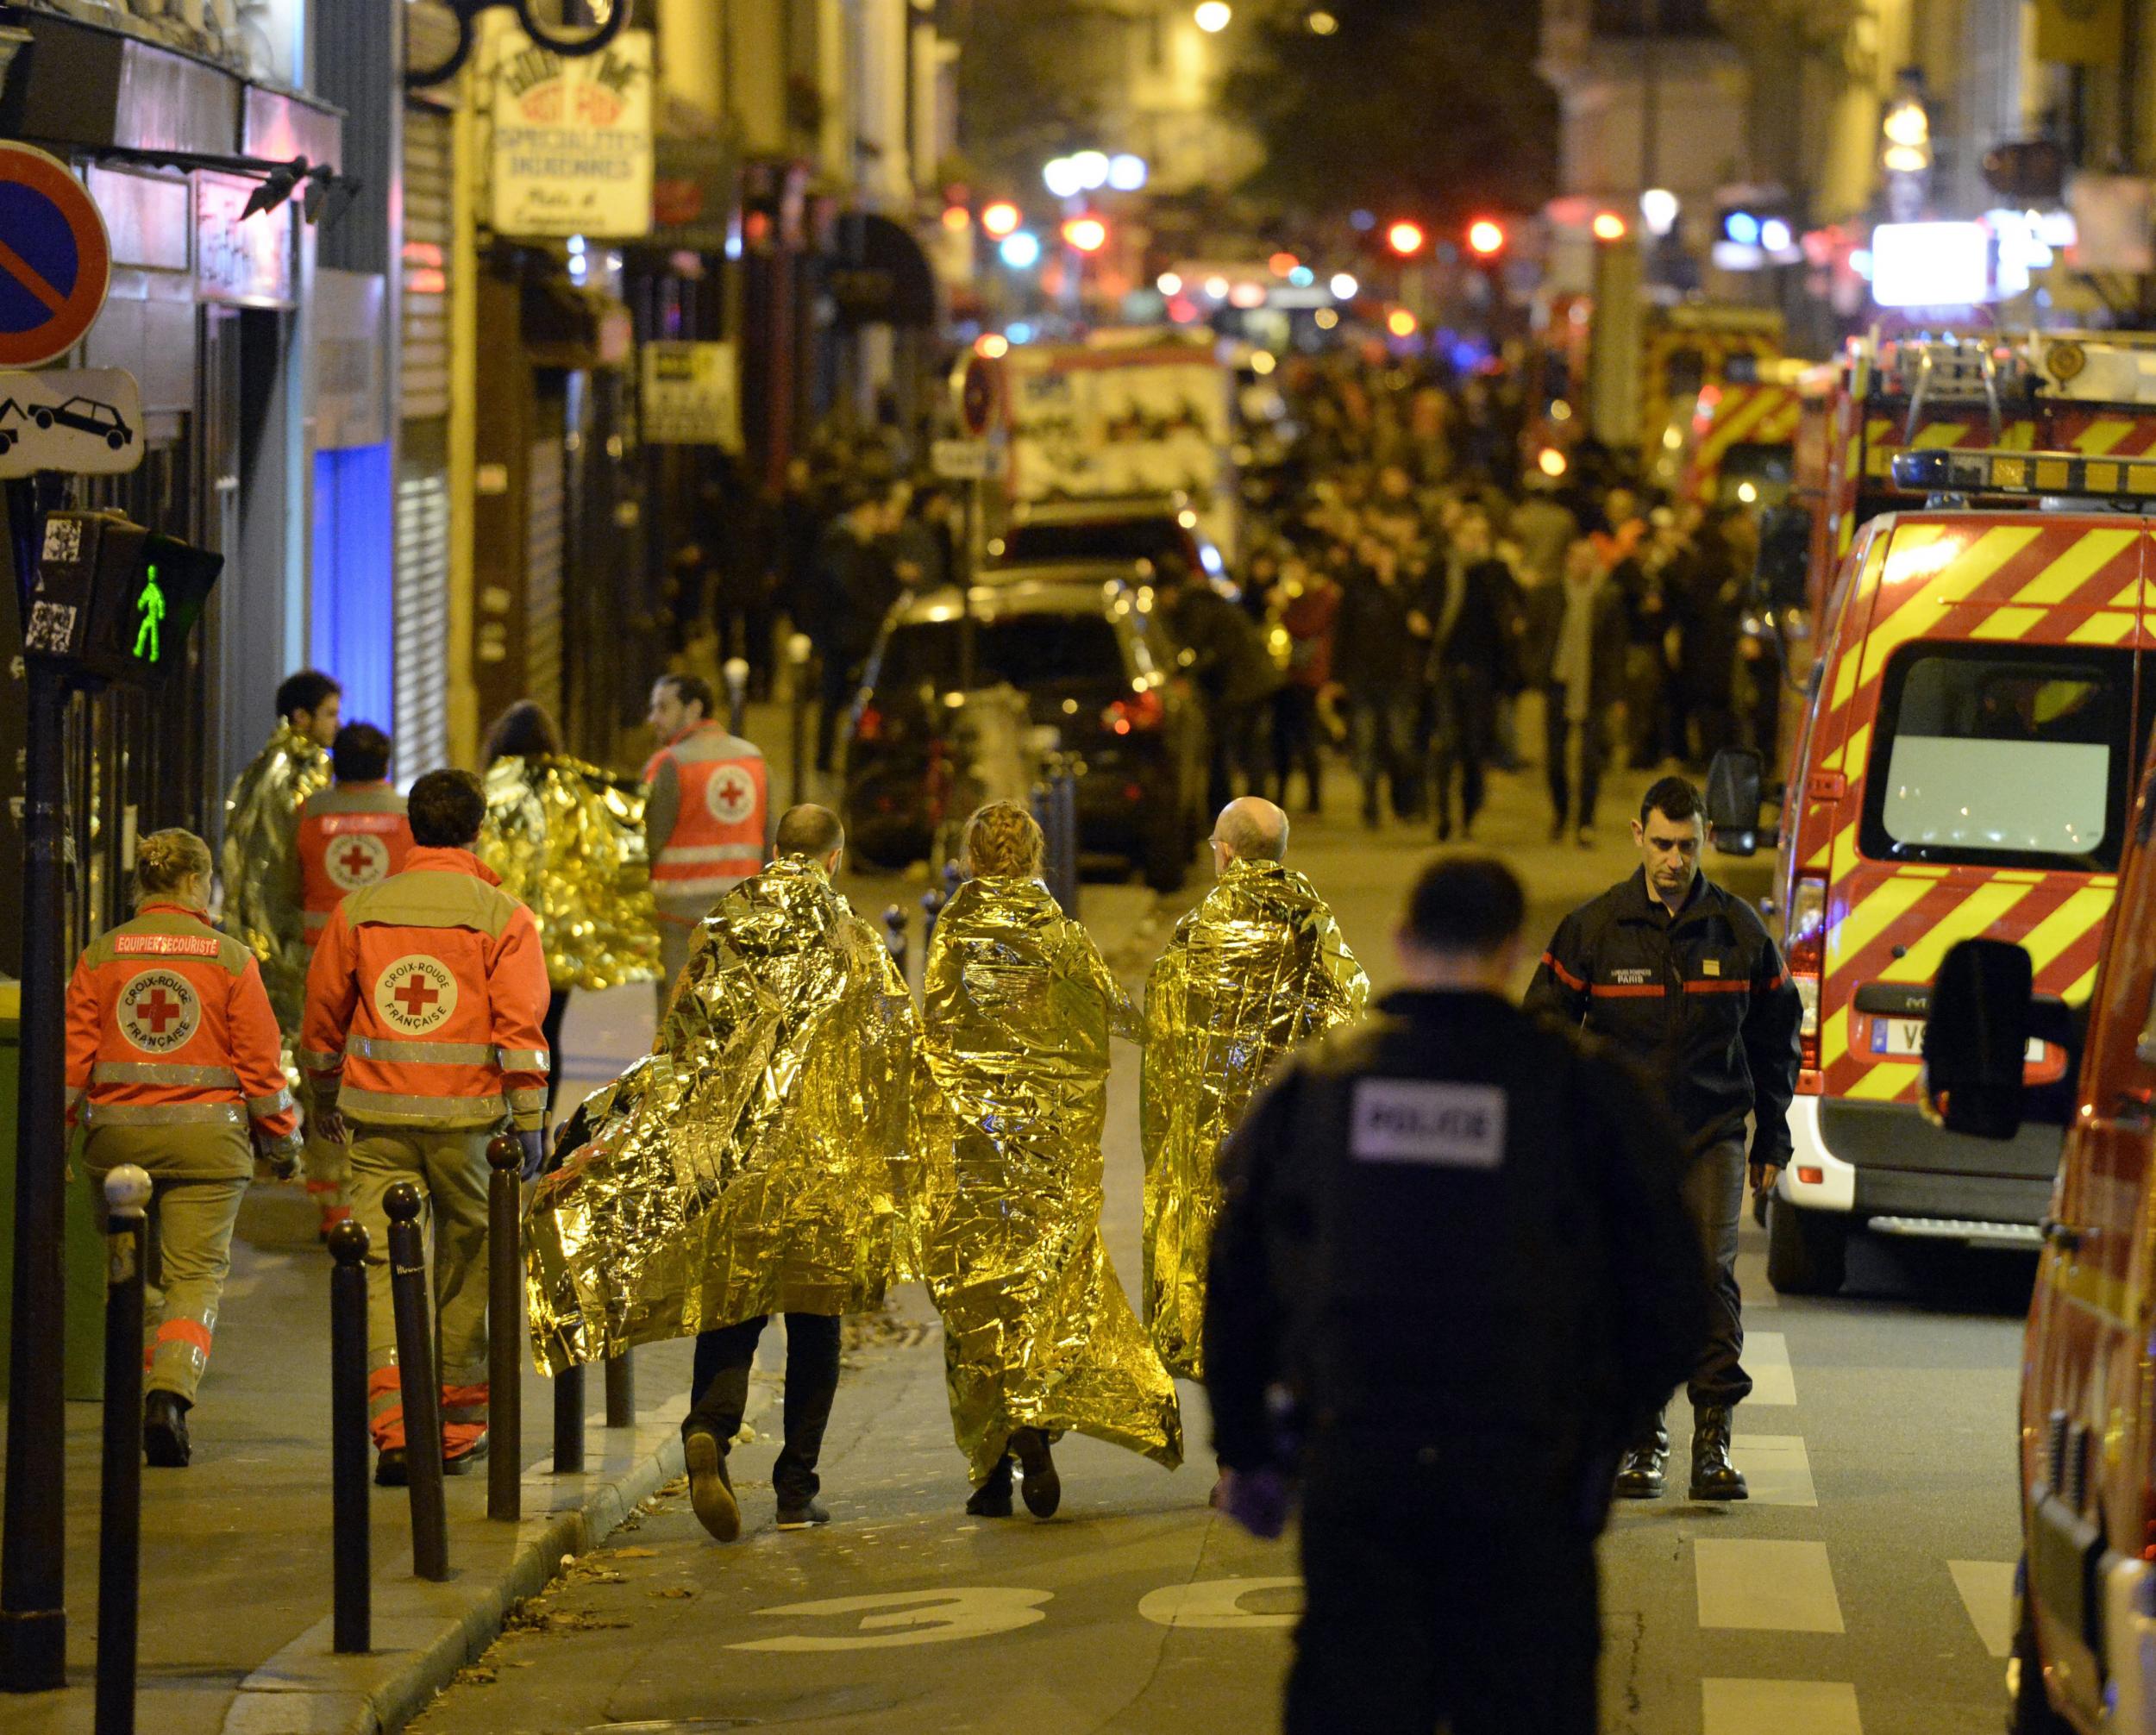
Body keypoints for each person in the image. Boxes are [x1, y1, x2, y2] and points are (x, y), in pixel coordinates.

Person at [1205, 855, 1708, 1735]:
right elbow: (1671, 1291)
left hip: (1358, 1466)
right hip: (1524, 1475)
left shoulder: (1316, 1089)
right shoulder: (1585, 1093)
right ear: (1512, 951)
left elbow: (1238, 1283)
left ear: (1402, 942)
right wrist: (1605, 1428)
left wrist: (1249, 1446)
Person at [527, 805, 921, 1541]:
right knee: (815, 1326)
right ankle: (797, 1491)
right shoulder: (856, 940)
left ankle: (708, 1428)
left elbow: (683, 1042)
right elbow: (888, 1045)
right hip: (819, 1165)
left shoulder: (724, 922)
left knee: (731, 1300)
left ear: (774, 851)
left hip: (730, 1157)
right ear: (834, 860)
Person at [1525, 775, 1802, 1503]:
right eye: (1662, 844)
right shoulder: (1594, 929)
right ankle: (1641, 1441)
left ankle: (1713, 1445)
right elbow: (1542, 1033)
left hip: (1713, 1133)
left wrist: (1774, 1133)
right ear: (1637, 836)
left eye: (1687, 845)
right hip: (1623, 1143)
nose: (1674, 860)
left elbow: (1778, 1040)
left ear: (1704, 839)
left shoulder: (1739, 931)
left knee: (1709, 1276)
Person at [915, 802, 1182, 1517]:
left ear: (970, 860)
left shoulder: (956, 934)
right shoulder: (1059, 934)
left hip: (976, 1150)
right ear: (1036, 858)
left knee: (978, 1295)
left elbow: (934, 1033)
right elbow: (1112, 1013)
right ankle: (1035, 1427)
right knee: (1045, 1289)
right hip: (1048, 1152)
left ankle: (992, 1466)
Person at [301, 769, 551, 1486]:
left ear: (410, 829)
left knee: (381, 1268)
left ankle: (393, 1429)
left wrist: (324, 1098)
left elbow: (321, 1020)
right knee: (470, 1262)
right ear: (477, 831)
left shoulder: (360, 910)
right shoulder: (503, 915)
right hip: (469, 1123)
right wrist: (530, 1117)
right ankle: (455, 1426)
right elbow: (521, 1026)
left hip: (376, 1120)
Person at [66, 830, 302, 1467]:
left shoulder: (99, 955)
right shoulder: (229, 959)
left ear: (142, 882)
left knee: (133, 1281)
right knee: (194, 1278)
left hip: (114, 1142)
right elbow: (261, 1069)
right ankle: (169, 1393)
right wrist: (283, 1145)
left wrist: (61, 1142)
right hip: (209, 1146)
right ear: (197, 883)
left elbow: (70, 1065)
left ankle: (142, 1392)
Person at [1140, 798, 1367, 1388]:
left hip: (1221, 1144)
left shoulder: (1199, 930)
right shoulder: (1313, 924)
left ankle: (1236, 1460)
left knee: (1229, 1288)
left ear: (1226, 852)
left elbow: (1167, 1040)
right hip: (1294, 1137)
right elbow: (1347, 1015)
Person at [477, 700, 661, 1113]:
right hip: (553, 950)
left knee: (495, 1035)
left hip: (498, 939)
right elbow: (605, 856)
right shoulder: (576, 789)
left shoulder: (489, 790)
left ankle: (496, 1125)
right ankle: (536, 1131)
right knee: (545, 1037)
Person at [291, 723, 413, 1236]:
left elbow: (287, 883)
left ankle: (333, 1201)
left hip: (319, 958)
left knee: (326, 1071)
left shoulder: (310, 813)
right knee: (381, 1067)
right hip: (385, 960)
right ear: (385, 763)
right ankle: (384, 1179)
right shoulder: (407, 815)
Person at [222, 669, 341, 1037]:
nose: (337, 724)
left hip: (253, 923)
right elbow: (287, 857)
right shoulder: (297, 773)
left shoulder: (264, 765)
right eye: (330, 714)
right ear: (302, 717)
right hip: (284, 928)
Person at [642, 673, 768, 1003]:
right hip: (740, 913)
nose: (653, 718)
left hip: (679, 916)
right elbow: (769, 840)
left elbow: (649, 843)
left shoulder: (669, 764)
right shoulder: (753, 759)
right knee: (733, 1014)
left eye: (663, 708)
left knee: (678, 1015)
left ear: (693, 709)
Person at [1426, 508, 1522, 842]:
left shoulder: (1495, 572)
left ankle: (1467, 814)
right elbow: (1426, 609)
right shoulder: (1442, 570)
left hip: (1483, 673)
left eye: (1481, 535)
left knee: (1473, 747)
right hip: (1447, 669)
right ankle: (1442, 815)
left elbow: (1513, 611)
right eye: (1469, 534)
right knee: (1446, 743)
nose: (1475, 541)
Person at [1526, 536, 1627, 846]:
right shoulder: (1549, 595)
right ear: (1567, 561)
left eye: (1588, 559)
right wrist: (1535, 670)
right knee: (1555, 756)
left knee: (1589, 758)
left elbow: (1615, 650)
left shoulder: (1607, 598)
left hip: (1593, 687)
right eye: (1577, 558)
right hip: (1559, 683)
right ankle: (1561, 813)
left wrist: (1616, 693)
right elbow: (1533, 635)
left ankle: (1585, 821)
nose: (1582, 565)